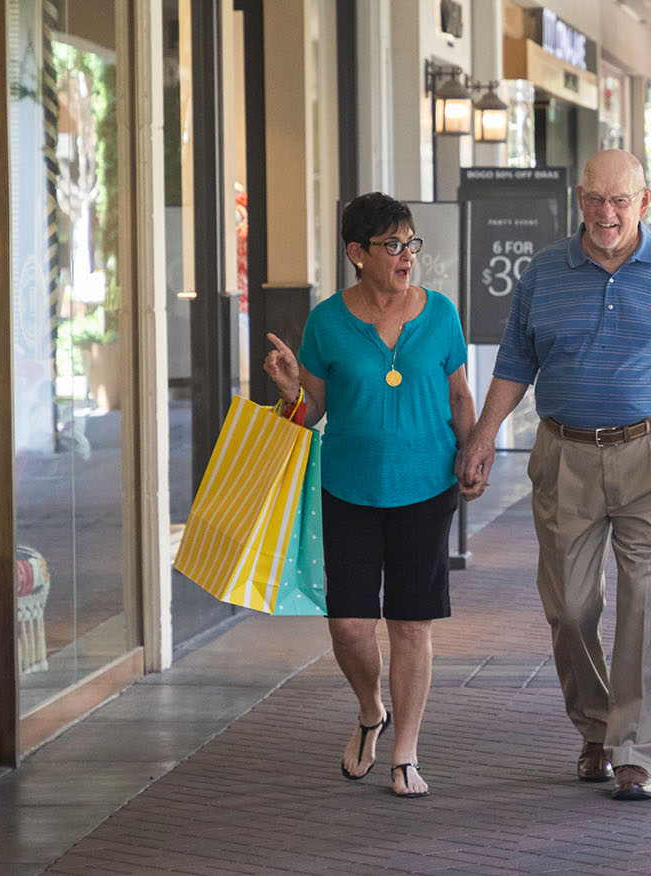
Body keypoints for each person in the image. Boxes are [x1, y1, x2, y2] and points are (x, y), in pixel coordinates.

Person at [455, 149, 651, 802]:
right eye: (594, 200)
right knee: (570, 606)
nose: (606, 214)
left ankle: (634, 752)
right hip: (566, 454)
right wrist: (481, 437)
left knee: (644, 604)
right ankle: (596, 725)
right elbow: (515, 362)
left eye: (620, 201)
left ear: (643, 203)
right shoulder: (544, 272)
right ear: (578, 200)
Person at [263, 192, 479, 799]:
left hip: (425, 487)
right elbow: (311, 414)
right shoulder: (329, 322)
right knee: (350, 627)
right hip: (349, 490)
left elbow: (459, 398)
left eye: (411, 242)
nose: (406, 255)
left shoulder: (440, 314)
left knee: (412, 624)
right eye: (392, 245)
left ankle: (405, 751)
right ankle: (369, 711)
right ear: (357, 253)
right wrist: (288, 392)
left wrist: (472, 456)